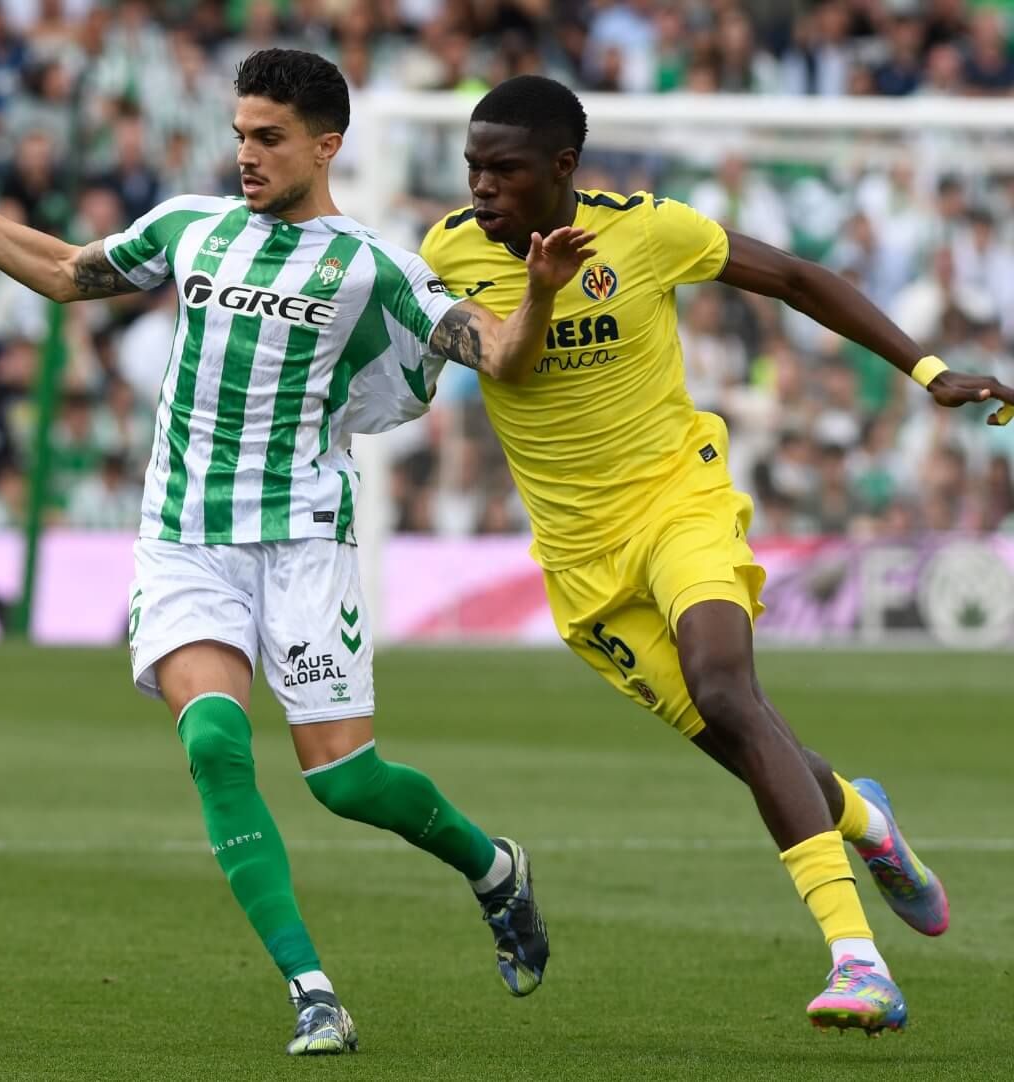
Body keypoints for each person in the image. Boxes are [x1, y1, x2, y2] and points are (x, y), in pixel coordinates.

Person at [0, 49, 595, 1056]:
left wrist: (541, 294)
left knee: (344, 780)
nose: (245, 153)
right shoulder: (189, 227)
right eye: (240, 133)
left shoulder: (374, 269)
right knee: (212, 742)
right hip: (184, 537)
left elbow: (499, 353)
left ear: (325, 146)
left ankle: (492, 865)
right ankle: (312, 988)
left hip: (300, 540)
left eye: (268, 138)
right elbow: (67, 272)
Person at [418, 75, 1014, 1035]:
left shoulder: (648, 230)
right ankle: (864, 820)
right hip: (581, 566)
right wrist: (536, 291)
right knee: (746, 740)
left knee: (728, 690)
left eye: (504, 170)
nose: (481, 188)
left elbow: (796, 278)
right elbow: (508, 365)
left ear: (562, 169)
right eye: (473, 168)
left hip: (676, 501)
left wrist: (930, 371)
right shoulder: (446, 253)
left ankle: (857, 961)